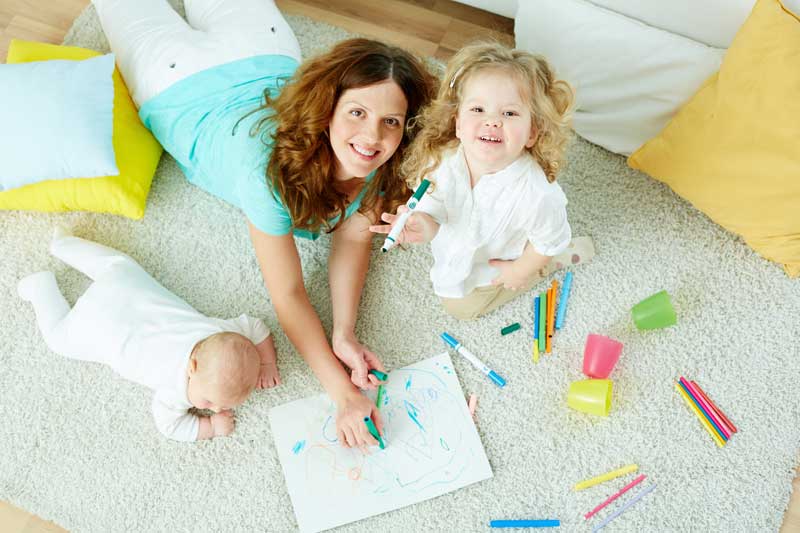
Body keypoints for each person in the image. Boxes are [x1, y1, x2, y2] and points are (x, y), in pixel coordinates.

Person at [92, 0, 436, 449]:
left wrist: (344, 332)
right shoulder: (267, 175)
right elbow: (288, 294)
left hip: (262, 50)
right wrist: (341, 392)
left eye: (390, 122)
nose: (372, 137)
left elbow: (354, 236)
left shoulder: (386, 163)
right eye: (357, 112)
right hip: (176, 81)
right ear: (328, 107)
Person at [371, 42, 595, 320]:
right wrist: (423, 226)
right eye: (478, 110)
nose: (492, 121)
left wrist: (521, 270)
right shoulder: (440, 160)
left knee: (463, 309)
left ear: (532, 133)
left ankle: (552, 264)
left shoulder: (538, 195)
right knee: (452, 290)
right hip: (459, 253)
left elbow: (549, 239)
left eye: (510, 113)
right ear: (458, 123)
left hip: (497, 262)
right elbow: (435, 214)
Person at [18, 228, 278, 442]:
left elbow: (255, 326)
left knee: (116, 264)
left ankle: (63, 244)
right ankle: (41, 288)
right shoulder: (176, 390)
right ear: (192, 366)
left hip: (125, 286)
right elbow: (169, 425)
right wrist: (210, 426)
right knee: (59, 340)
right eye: (210, 402)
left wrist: (265, 362)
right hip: (98, 326)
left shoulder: (222, 333)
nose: (216, 409)